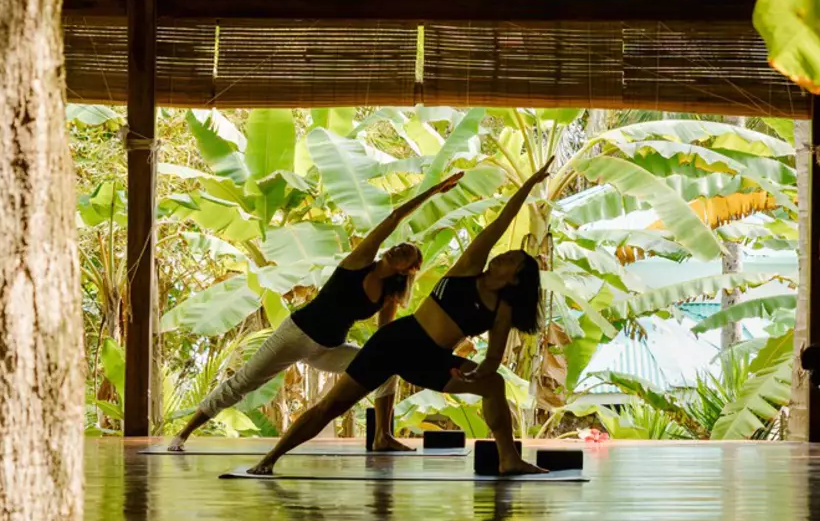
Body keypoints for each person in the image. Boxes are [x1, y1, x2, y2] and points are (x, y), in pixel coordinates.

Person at [247, 158, 554, 477]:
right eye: (507, 253)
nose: (503, 255)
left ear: (515, 278)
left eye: (511, 260)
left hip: (431, 360)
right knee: (332, 407)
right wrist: (529, 184)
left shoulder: (501, 310)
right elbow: (502, 221)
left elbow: (493, 358)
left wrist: (477, 375)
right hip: (397, 342)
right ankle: (270, 458)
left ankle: (509, 459)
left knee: (494, 383)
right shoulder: (468, 267)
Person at [168, 172, 466, 452]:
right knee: (243, 382)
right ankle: (183, 433)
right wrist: (434, 190)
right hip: (296, 333)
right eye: (399, 246)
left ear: (407, 270)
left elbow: (382, 337)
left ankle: (382, 437)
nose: (397, 250)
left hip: (328, 348)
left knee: (388, 368)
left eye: (405, 254)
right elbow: (394, 216)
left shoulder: (388, 296)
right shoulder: (360, 261)